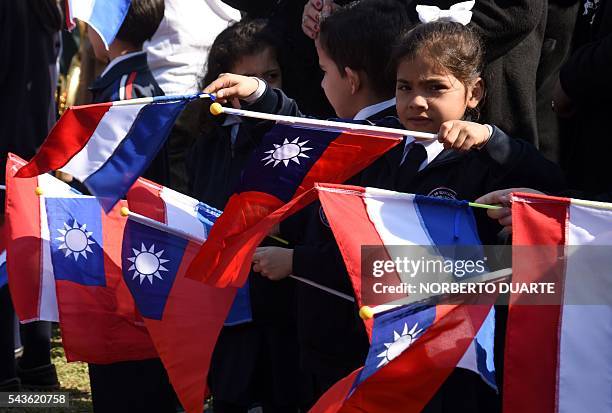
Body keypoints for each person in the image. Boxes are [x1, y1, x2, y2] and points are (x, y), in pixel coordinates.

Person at [205, 18, 566, 410]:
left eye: (435, 88)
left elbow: (555, 199)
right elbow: (309, 134)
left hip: (445, 362)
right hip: (358, 347)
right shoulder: (378, 142)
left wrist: (494, 141)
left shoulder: (491, 162)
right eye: (404, 87)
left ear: (474, 92)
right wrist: (260, 95)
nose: (417, 102)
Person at [204, 1, 410, 408]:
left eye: (323, 72)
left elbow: (375, 259)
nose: (320, 84)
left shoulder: (377, 146)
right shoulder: (361, 132)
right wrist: (261, 94)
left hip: (352, 342)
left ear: (349, 78)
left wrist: (297, 261)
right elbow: (304, 126)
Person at [186, 19, 299, 413]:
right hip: (226, 301)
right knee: (232, 393)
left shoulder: (288, 134)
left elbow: (284, 114)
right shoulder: (206, 144)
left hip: (277, 298)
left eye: (272, 76)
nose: (259, 87)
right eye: (247, 80)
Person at [83, 1, 177, 411]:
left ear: (105, 29)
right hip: (136, 255)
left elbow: (114, 189)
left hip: (124, 256)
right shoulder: (129, 81)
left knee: (126, 378)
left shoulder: (124, 93)